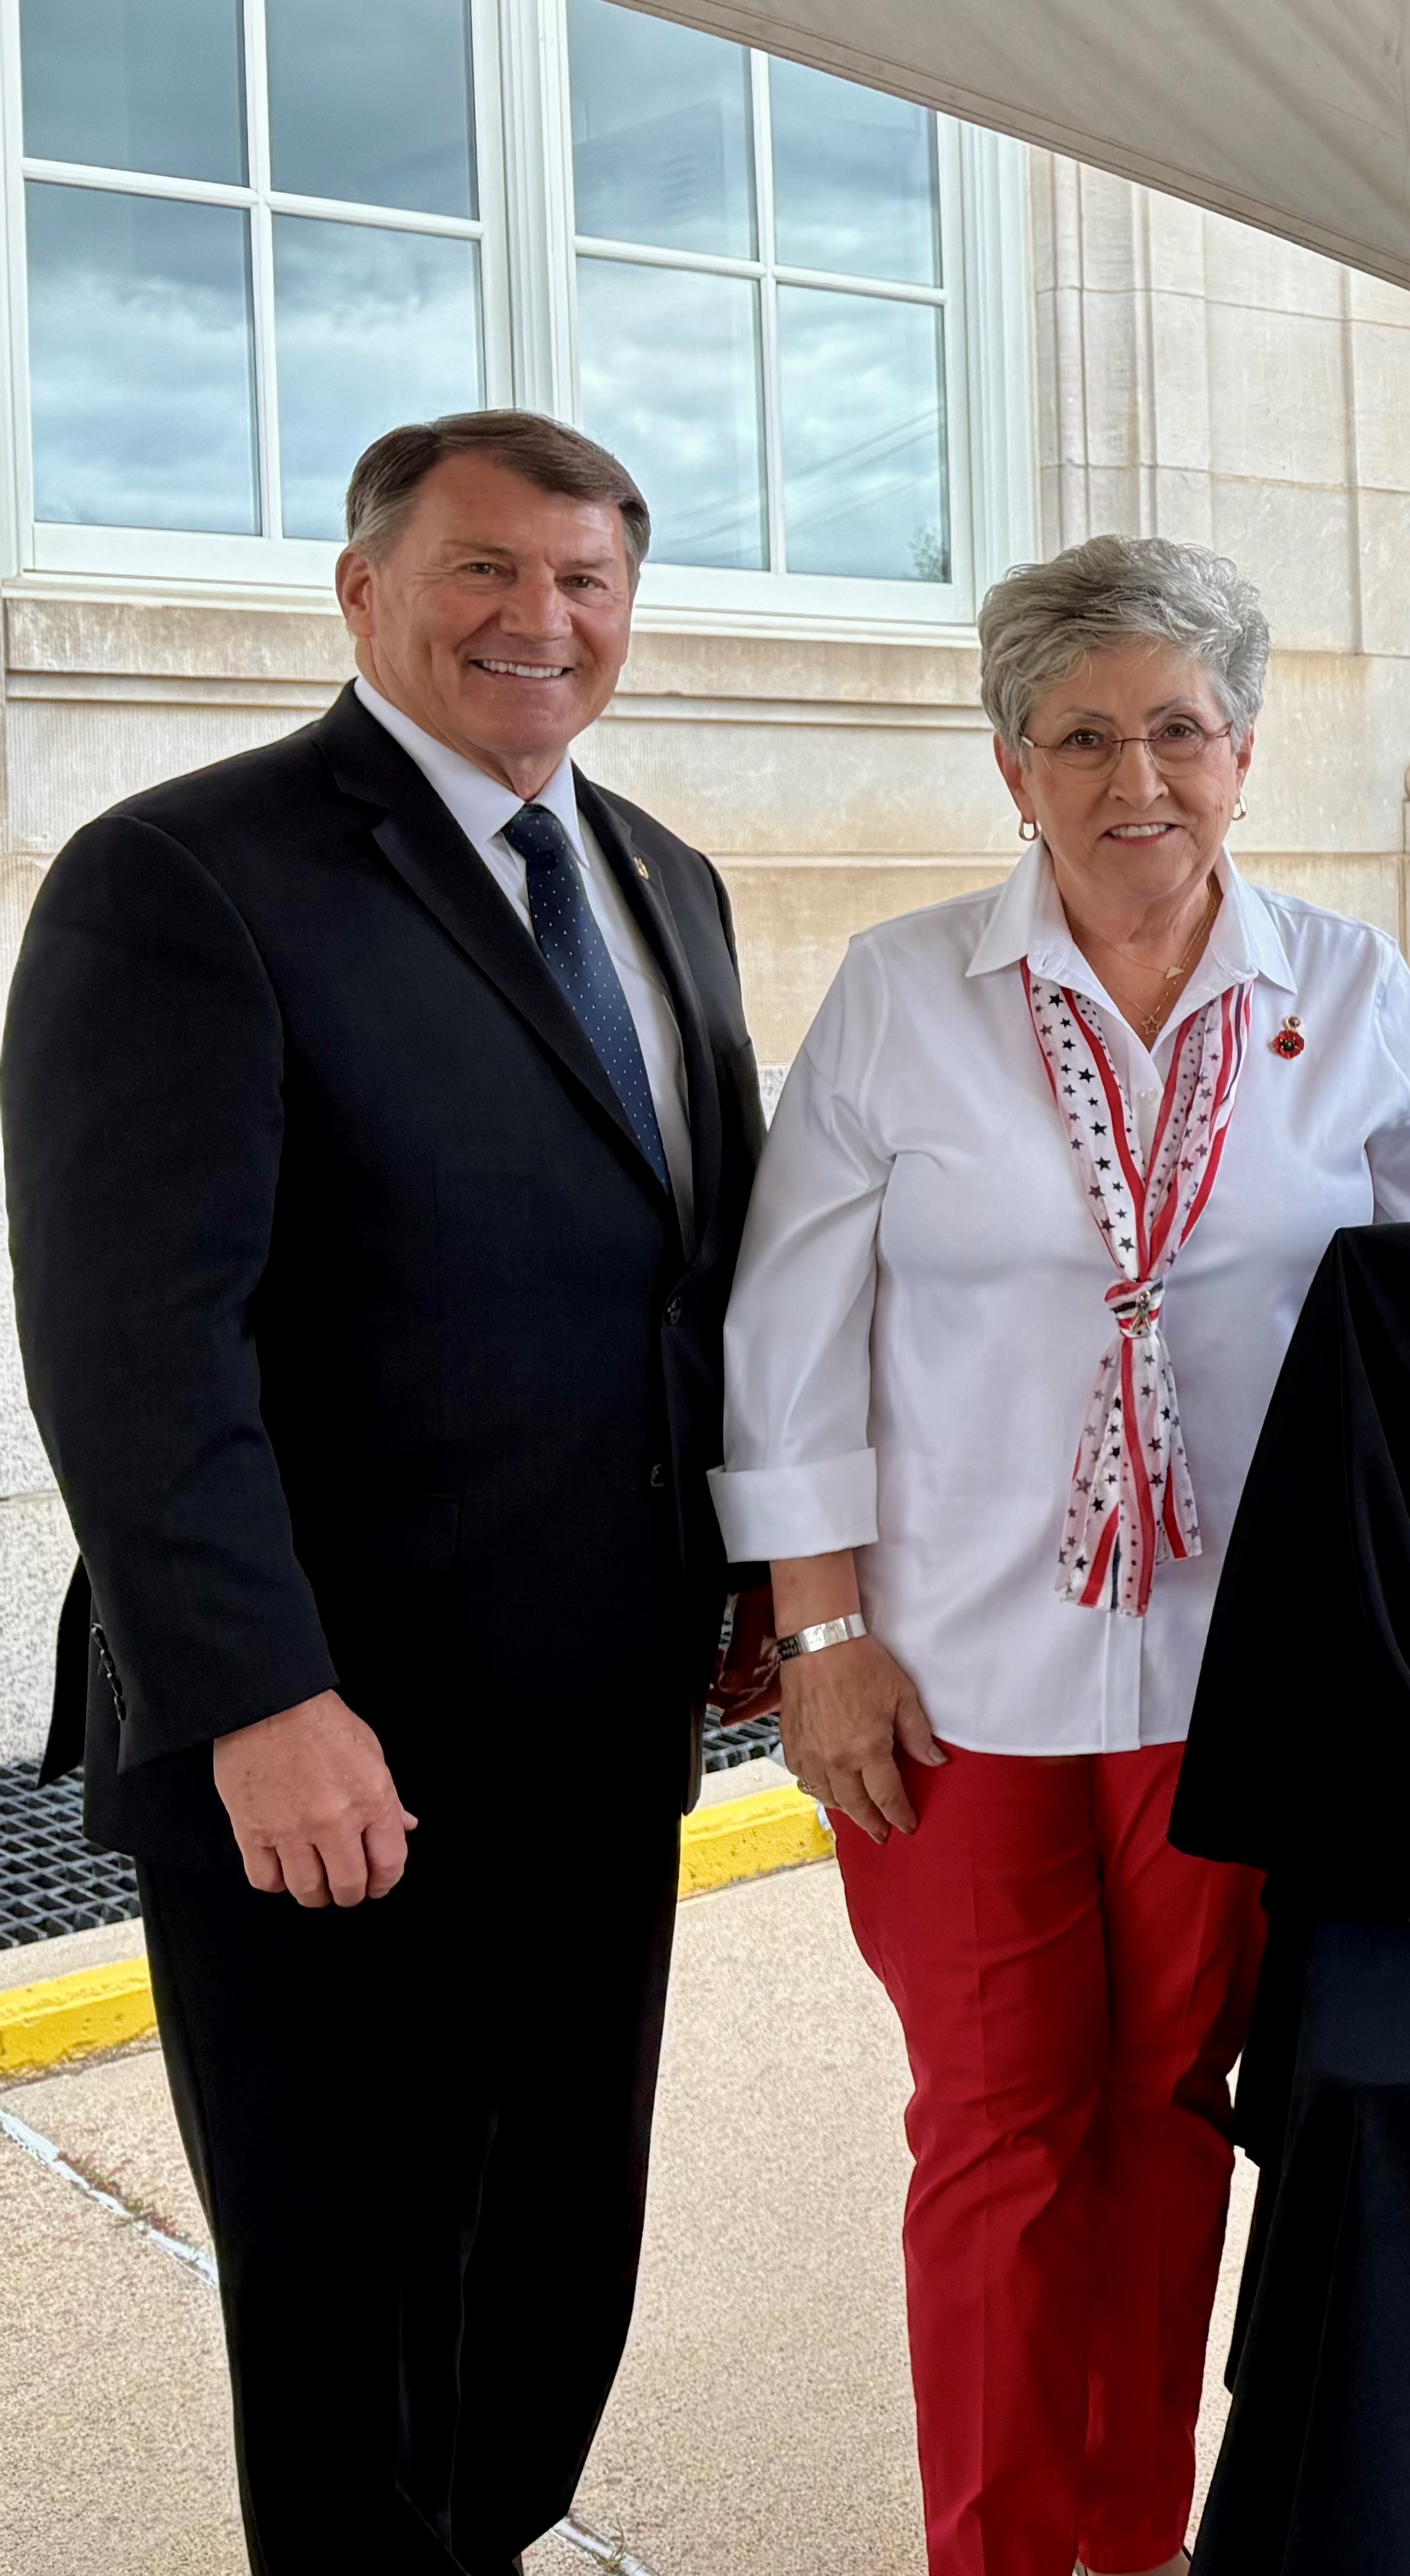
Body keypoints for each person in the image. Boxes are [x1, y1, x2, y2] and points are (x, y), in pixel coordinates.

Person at [4, 412, 758, 2565]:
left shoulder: (664, 880)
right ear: (365, 590)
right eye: (488, 572)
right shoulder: (185, 875)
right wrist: (257, 1692)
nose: (546, 619)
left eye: (590, 581)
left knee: (549, 2275)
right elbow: (138, 1337)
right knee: (352, 2316)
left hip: (598, 1734)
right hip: (327, 1753)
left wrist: (747, 1574)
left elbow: (695, 1268)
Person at [711, 533, 1410, 2576]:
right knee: (996, 2127)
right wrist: (824, 1630)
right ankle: (993, 2544)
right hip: (957, 1674)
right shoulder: (904, 994)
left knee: (1169, 2112)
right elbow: (786, 1325)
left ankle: (1132, 2536)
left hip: (1240, 1680)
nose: (1135, 776)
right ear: (1012, 764)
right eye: (1083, 736)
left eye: (1179, 729)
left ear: (1246, 748)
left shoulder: (1349, 983)